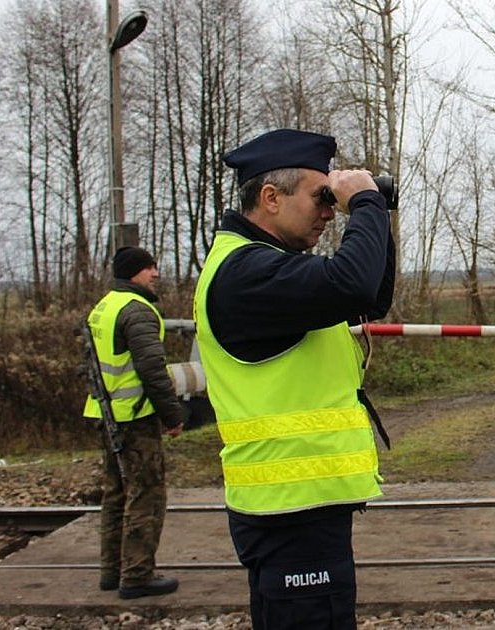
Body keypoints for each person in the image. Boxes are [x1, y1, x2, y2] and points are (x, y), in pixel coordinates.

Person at [194, 128, 394, 629]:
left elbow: (369, 295)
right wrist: (365, 202)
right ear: (270, 197)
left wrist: (374, 209)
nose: (329, 211)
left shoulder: (266, 267)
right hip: (288, 514)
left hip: (298, 507)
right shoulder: (247, 274)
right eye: (319, 196)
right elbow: (352, 283)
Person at [82, 246, 187, 599]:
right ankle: (138, 575)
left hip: (107, 413)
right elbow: (152, 370)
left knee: (115, 494)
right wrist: (173, 416)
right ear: (134, 273)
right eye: (149, 267)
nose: (155, 273)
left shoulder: (103, 307)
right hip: (135, 417)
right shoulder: (137, 310)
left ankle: (111, 571)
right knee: (146, 495)